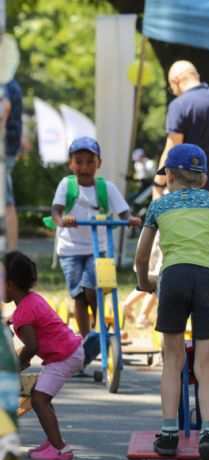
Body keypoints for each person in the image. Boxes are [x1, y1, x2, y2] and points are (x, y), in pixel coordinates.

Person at [135, 143, 209, 460]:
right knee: (205, 363)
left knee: (173, 359)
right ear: (203, 178)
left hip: (173, 277)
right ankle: (208, 432)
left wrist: (144, 283)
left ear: (171, 175)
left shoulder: (158, 205)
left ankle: (167, 434)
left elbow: (141, 256)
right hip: (208, 280)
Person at [51, 137, 138, 342]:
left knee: (94, 287)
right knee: (79, 295)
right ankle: (87, 337)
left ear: (99, 163)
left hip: (98, 247)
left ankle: (95, 325)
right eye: (79, 161)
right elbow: (55, 211)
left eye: (90, 161)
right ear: (70, 164)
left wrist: (130, 219)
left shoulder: (106, 188)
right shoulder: (67, 184)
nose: (84, 167)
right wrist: (63, 220)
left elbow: (123, 211)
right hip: (70, 250)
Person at [5, 251, 83, 460]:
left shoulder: (24, 313)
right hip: (68, 350)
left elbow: (32, 345)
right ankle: (53, 438)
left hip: (63, 356)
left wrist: (20, 364)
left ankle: (60, 449)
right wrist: (10, 320)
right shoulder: (30, 300)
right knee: (44, 396)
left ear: (10, 285)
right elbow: (27, 316)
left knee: (39, 399)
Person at [154, 61, 209, 202]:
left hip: (190, 188)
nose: (173, 91)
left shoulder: (180, 105)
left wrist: (158, 184)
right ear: (196, 75)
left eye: (171, 88)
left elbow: (171, 149)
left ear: (175, 80)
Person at [3, 78, 23, 250]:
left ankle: (12, 252)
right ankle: (12, 251)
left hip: (2, 149)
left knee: (7, 201)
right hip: (9, 148)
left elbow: (5, 107)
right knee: (6, 199)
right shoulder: (11, 81)